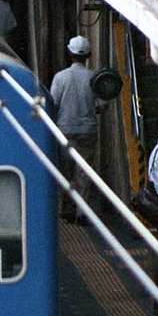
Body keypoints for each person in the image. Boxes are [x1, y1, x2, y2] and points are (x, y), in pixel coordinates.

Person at [49, 35, 101, 222]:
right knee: (84, 172)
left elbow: (53, 102)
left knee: (66, 170)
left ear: (70, 54)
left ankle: (67, 210)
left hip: (65, 128)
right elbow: (102, 105)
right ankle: (82, 212)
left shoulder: (60, 77)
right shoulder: (94, 77)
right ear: (88, 55)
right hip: (88, 130)